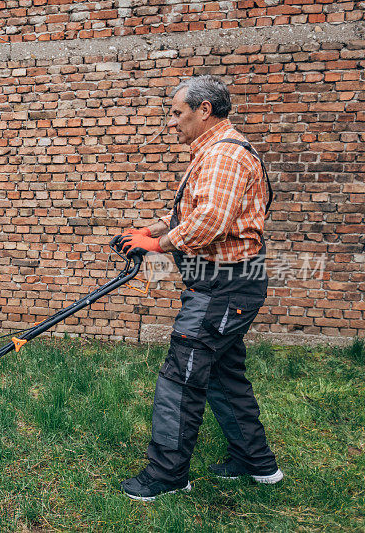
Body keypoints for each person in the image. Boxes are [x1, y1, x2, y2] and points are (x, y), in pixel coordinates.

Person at [114, 75, 282, 501]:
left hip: (222, 289)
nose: (172, 122)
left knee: (181, 377)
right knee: (224, 376)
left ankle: (167, 473)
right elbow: (194, 212)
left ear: (203, 110)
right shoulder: (215, 152)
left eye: (177, 112)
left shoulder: (224, 157)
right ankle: (255, 462)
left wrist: (157, 244)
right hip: (226, 287)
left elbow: (209, 223)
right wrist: (146, 230)